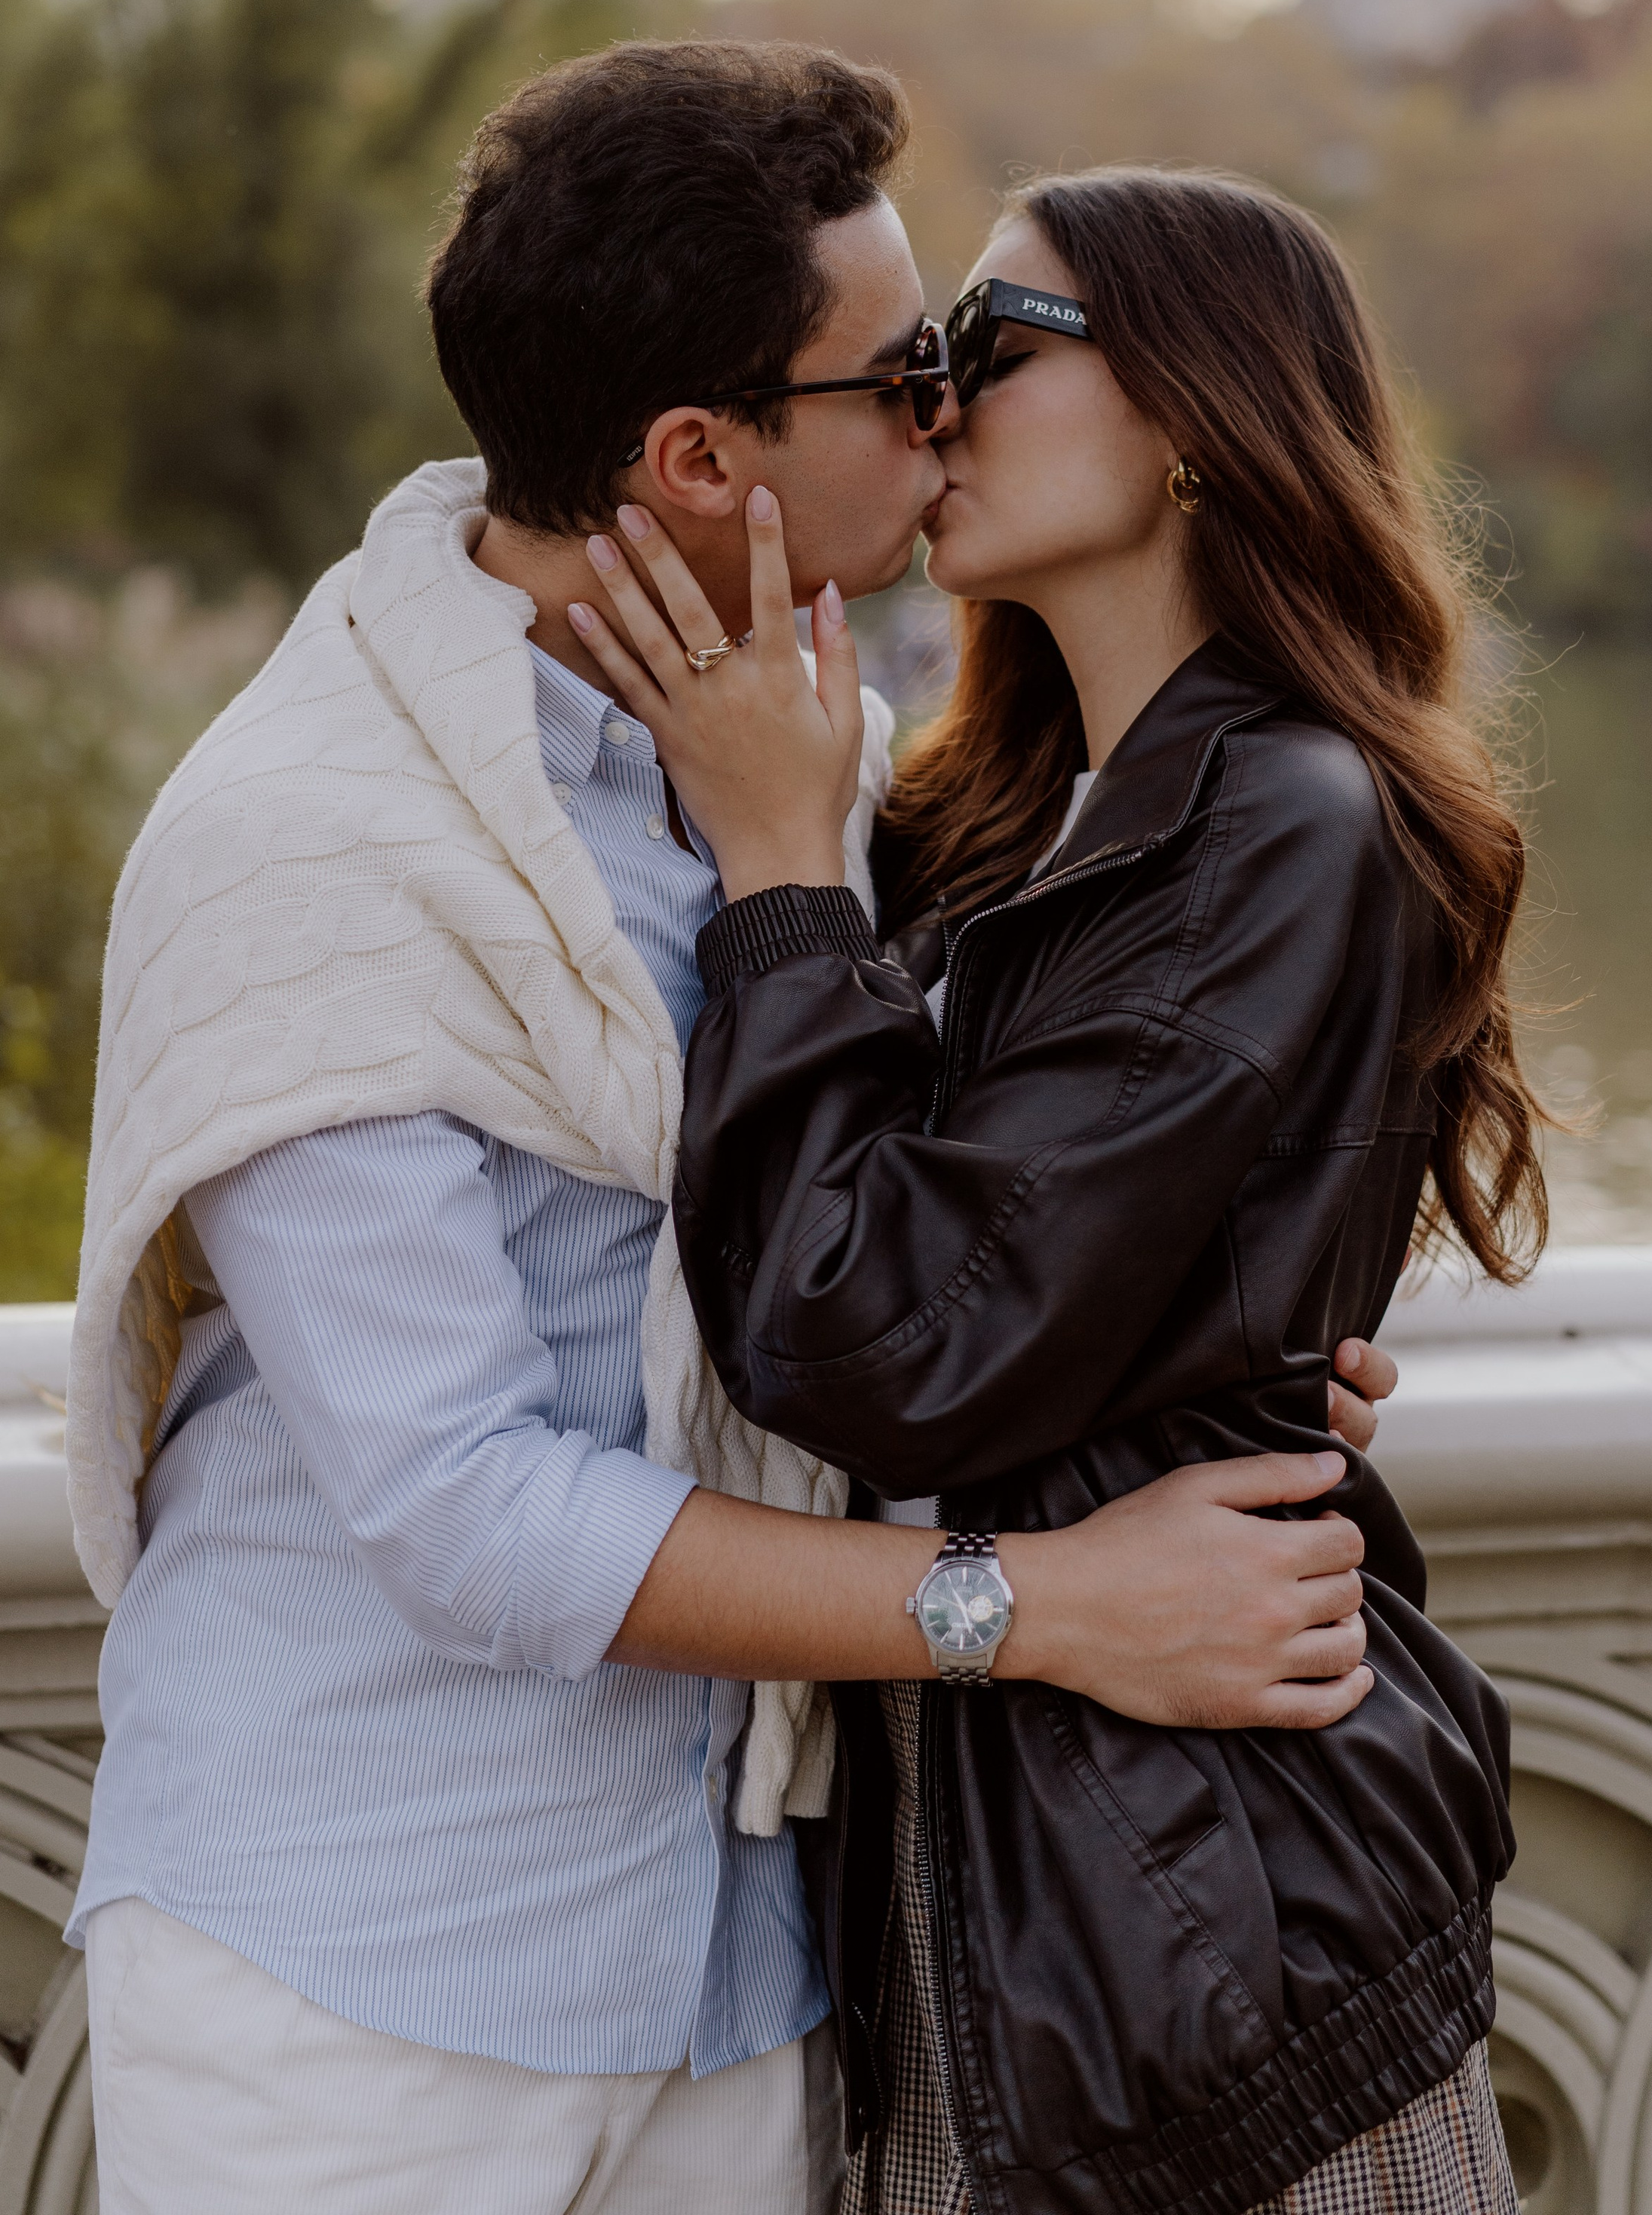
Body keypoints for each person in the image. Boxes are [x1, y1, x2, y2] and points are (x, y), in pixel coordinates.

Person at [64, 46, 1402, 2215]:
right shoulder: (315, 850)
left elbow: (925, 1237)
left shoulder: (811, 784)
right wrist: (1036, 1601)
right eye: (906, 375)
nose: (953, 409)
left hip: (753, 1957)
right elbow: (463, 1504)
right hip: (370, 1967)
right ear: (701, 456)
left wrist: (1208, 1338)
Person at [572, 163, 1547, 2215]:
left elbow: (888, 1333)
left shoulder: (1284, 816)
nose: (931, 410)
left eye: (993, 353)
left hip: (1202, 1932)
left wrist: (773, 885)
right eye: (919, 366)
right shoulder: (992, 819)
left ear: (1198, 412)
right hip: (991, 1861)